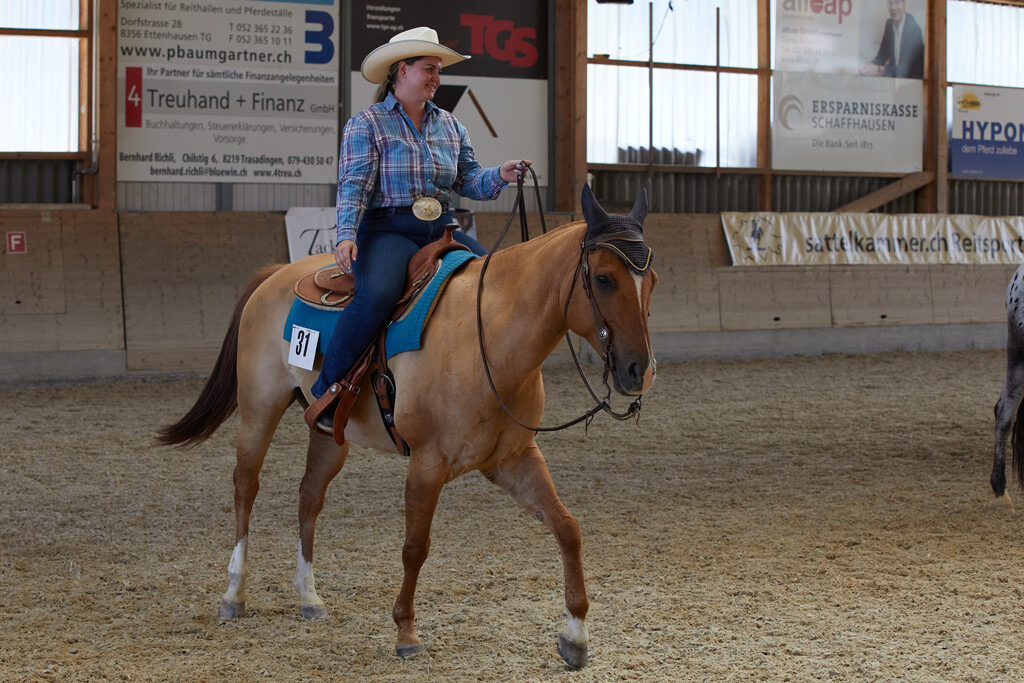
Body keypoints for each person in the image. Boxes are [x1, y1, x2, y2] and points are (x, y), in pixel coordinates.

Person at [306, 26, 532, 434]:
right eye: (430, 69)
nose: (436, 78)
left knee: (496, 283)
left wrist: (499, 174)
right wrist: (346, 234)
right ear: (402, 70)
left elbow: (468, 180)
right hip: (387, 229)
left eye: (438, 70)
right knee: (376, 295)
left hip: (440, 229)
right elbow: (354, 186)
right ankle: (329, 389)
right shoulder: (367, 124)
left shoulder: (451, 125)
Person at [859, 0, 924, 79]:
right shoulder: (889, 24)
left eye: (897, 2)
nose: (893, 7)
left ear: (904, 4)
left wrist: (878, 69)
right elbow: (881, 57)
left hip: (912, 81)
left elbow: (904, 70)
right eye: (890, 3)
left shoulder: (914, 31)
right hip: (894, 80)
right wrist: (867, 66)